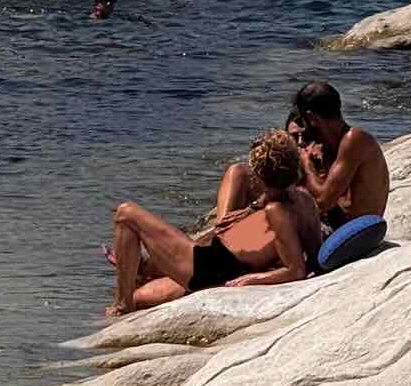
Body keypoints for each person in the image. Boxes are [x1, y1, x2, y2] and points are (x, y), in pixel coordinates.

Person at [110, 131, 320, 316]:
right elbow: (314, 255)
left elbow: (295, 270)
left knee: (125, 214)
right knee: (140, 296)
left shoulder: (276, 213)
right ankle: (137, 280)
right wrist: (253, 209)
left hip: (205, 270)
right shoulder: (304, 199)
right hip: (218, 264)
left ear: (258, 175)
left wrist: (252, 280)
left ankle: (122, 304)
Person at [212, 82, 388, 232]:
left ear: (311, 118)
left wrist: (305, 162)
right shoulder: (335, 144)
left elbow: (322, 202)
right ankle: (224, 231)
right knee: (240, 172)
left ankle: (223, 239)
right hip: (336, 223)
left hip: (347, 233)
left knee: (244, 176)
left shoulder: (354, 139)